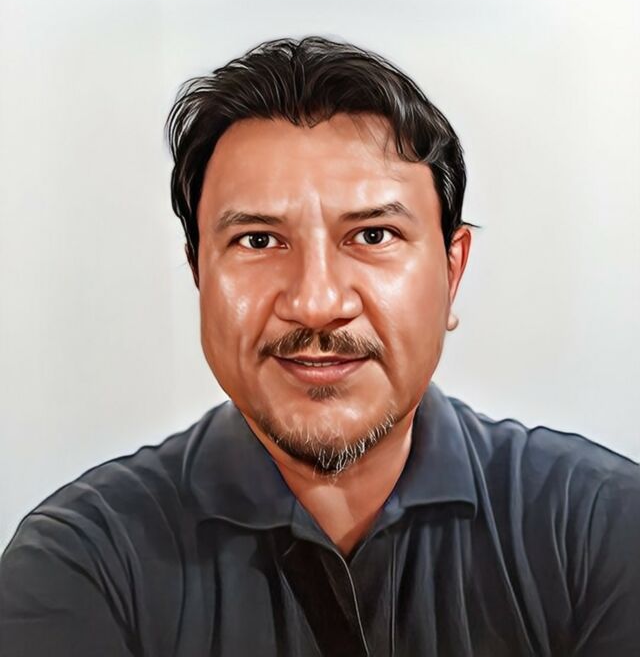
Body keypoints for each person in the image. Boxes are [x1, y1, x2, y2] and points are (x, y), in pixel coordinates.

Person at [0, 37, 638, 657]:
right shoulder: (81, 565)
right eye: (258, 241)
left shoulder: (603, 530)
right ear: (198, 274)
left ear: (452, 271)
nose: (315, 302)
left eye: (373, 235)